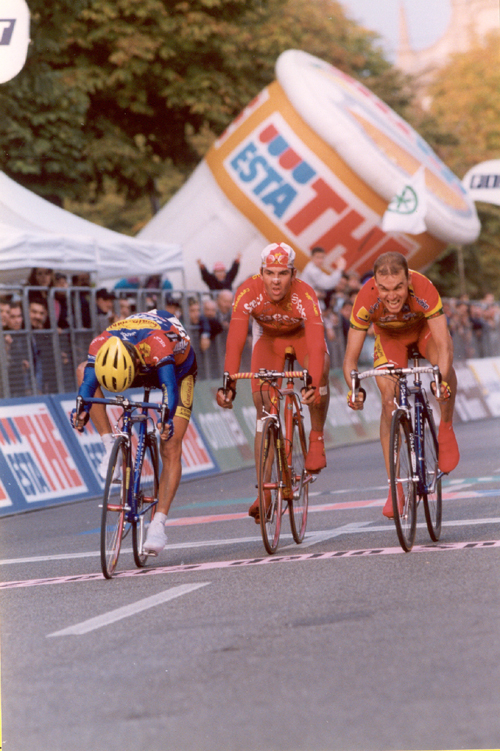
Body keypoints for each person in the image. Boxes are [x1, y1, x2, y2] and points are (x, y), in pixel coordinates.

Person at [216, 242, 330, 523]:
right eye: (270, 273)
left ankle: (316, 436)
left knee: (322, 367)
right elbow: (235, 341)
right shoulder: (247, 291)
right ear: (261, 272)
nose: (276, 280)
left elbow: (316, 346)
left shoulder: (305, 294)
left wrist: (313, 383)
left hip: (302, 337)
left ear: (293, 273)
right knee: (264, 409)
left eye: (282, 273)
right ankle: (264, 490)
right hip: (268, 339)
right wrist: (228, 382)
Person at [71, 308, 197, 556]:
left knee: (170, 444)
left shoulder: (157, 344)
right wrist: (81, 410)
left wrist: (166, 420)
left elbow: (169, 388)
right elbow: (86, 384)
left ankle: (158, 524)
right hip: (133, 363)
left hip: (177, 371)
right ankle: (111, 449)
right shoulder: (99, 344)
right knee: (82, 369)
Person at [343, 251, 459, 519]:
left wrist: (440, 379)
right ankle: (394, 487)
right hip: (390, 340)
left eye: (397, 288)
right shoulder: (365, 299)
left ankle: (446, 426)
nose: (391, 296)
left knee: (446, 368)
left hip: (423, 333)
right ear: (375, 283)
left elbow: (444, 345)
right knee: (388, 402)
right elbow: (349, 357)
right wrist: (354, 388)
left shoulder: (424, 288)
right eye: (384, 289)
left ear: (408, 280)